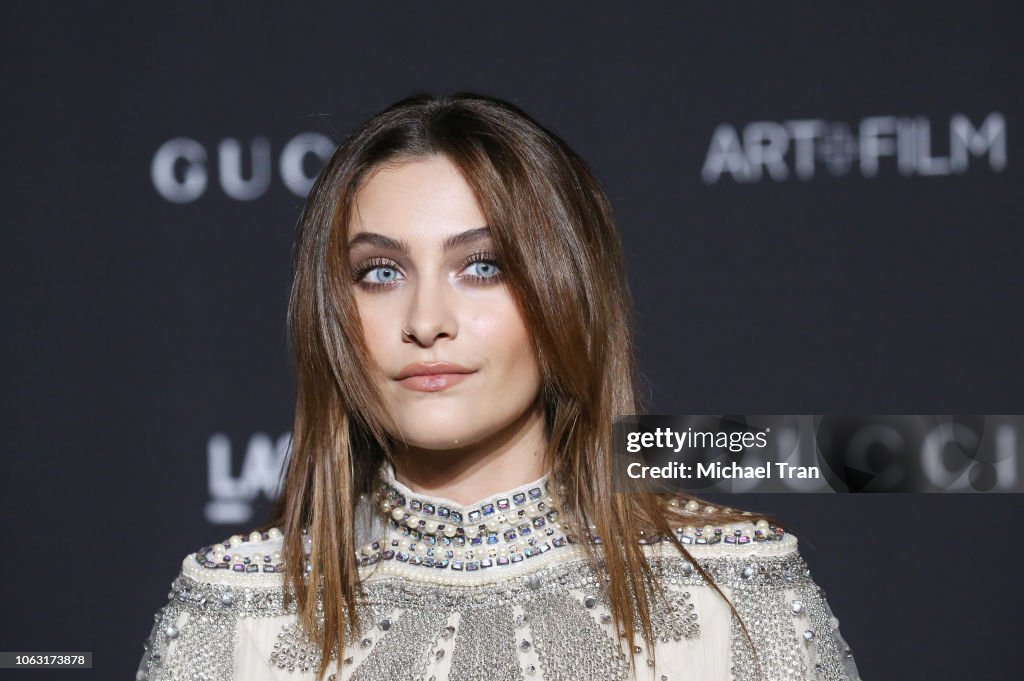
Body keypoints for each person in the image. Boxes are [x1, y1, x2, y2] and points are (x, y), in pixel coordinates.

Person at [136, 92, 862, 681]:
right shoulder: (233, 608)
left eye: (482, 265)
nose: (426, 321)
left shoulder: (735, 590)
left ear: (565, 291)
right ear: (331, 311)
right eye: (380, 272)